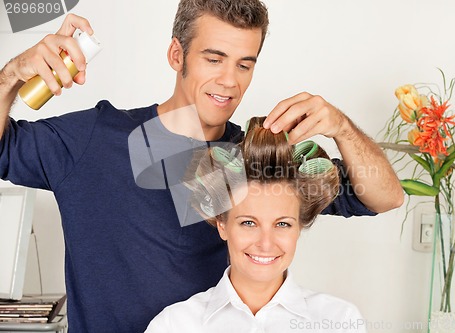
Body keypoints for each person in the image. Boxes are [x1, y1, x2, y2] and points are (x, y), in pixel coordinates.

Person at [0, 1, 402, 332]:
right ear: (177, 54)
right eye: (214, 59)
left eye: (244, 64)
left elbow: (387, 196)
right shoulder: (95, 138)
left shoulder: (256, 160)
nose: (229, 81)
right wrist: (13, 75)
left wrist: (342, 128)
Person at [145, 116, 367, 332]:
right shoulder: (175, 325)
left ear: (299, 227)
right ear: (222, 224)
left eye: (282, 224)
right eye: (249, 223)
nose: (265, 243)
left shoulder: (340, 320)